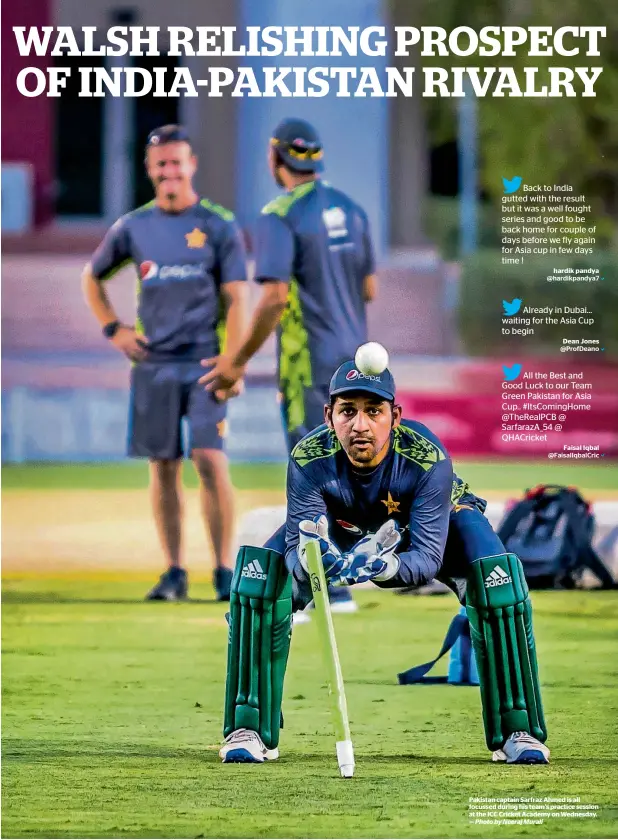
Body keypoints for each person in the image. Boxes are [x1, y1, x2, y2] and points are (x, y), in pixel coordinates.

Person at [219, 359, 550, 765]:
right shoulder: (308, 458)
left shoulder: (427, 459)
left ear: (394, 417)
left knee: (498, 588)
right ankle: (249, 728)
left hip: (434, 524)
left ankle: (518, 731)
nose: (360, 425)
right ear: (329, 417)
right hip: (344, 525)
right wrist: (314, 559)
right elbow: (295, 550)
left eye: (373, 412)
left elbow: (428, 558)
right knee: (260, 585)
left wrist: (382, 568)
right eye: (347, 411)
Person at [200, 117, 377, 614]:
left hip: (307, 363)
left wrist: (234, 362)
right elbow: (369, 290)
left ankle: (326, 589)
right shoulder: (354, 211)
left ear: (275, 159)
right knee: (345, 470)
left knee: (309, 472)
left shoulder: (279, 215)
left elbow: (274, 297)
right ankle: (339, 581)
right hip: (356, 362)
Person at [82, 124, 248, 602]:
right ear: (150, 170)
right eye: (161, 164)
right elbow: (91, 279)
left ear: (191, 165)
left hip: (204, 364)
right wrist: (115, 329)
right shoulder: (134, 227)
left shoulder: (218, 225)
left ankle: (222, 571)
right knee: (163, 466)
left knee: (210, 460)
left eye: (177, 162)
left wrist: (232, 362)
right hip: (152, 365)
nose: (169, 171)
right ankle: (174, 572)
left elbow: (238, 298)